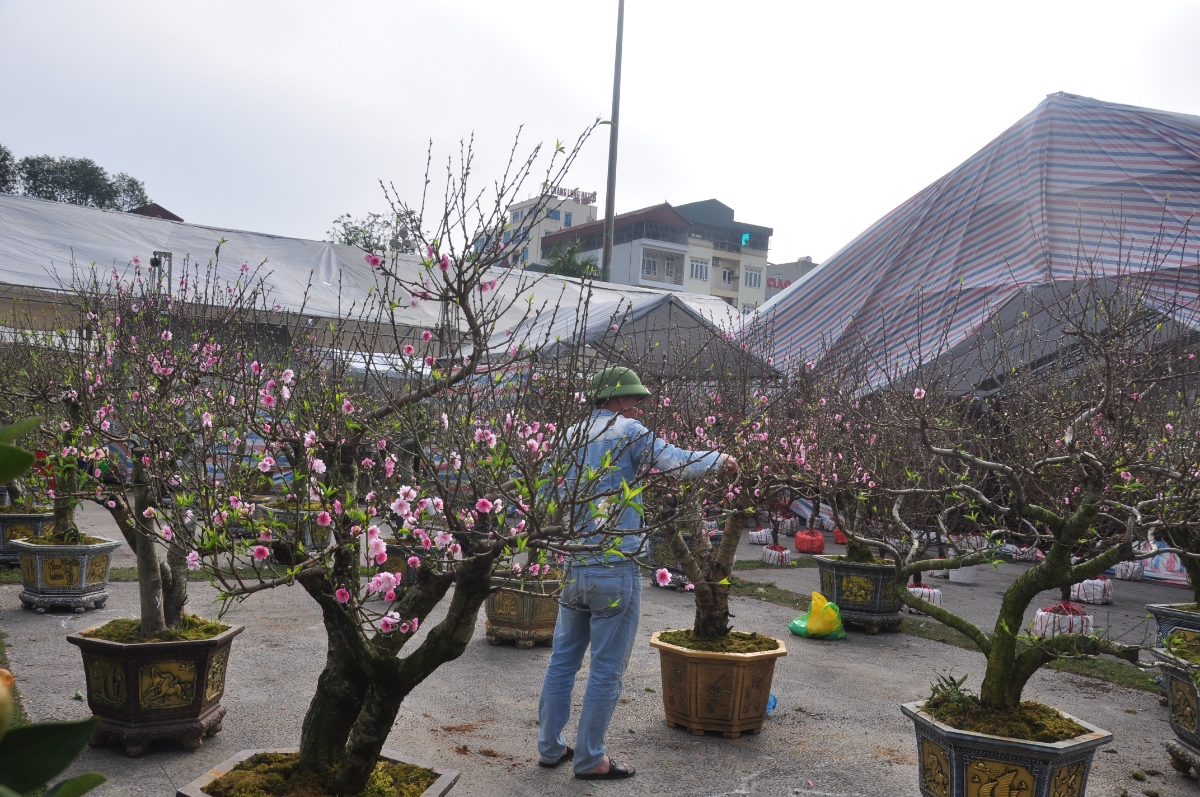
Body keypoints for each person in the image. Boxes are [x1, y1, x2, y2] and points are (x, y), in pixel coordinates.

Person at [537, 366, 737, 780]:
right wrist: (722, 459)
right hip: (615, 565)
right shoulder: (630, 432)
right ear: (620, 399)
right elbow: (677, 464)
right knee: (606, 668)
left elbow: (545, 490)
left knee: (562, 661)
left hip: (574, 563)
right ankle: (591, 760)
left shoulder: (567, 435)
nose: (636, 408)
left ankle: (550, 747)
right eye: (633, 400)